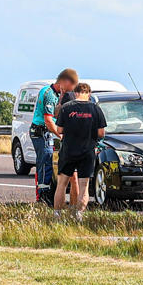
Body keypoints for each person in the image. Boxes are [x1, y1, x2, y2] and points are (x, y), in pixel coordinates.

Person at [54, 80, 106, 217]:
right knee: (84, 185)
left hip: (68, 150)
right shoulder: (95, 109)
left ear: (75, 93)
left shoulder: (66, 107)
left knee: (62, 184)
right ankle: (79, 215)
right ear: (89, 94)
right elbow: (101, 133)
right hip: (87, 151)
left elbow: (59, 130)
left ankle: (57, 214)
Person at [31, 67, 75, 207]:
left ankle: (42, 194)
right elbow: (49, 121)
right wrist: (60, 135)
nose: (69, 90)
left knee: (44, 163)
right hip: (42, 132)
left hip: (42, 131)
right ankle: (43, 197)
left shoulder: (50, 91)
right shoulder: (50, 95)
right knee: (45, 164)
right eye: (69, 86)